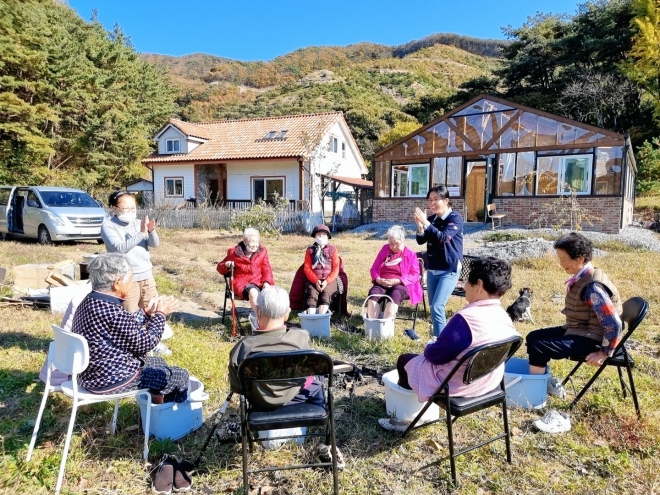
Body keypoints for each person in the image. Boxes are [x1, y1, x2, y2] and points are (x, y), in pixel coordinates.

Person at [379, 257, 517, 432]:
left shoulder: (466, 320)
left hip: (458, 386)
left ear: (479, 285)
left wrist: (430, 345)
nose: (464, 285)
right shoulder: (505, 317)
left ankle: (408, 416)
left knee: (405, 360)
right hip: (489, 382)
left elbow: (435, 356)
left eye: (468, 281)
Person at [526, 232, 622, 434]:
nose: (561, 264)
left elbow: (613, 323)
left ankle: (534, 393)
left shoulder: (592, 287)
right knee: (533, 337)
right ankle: (543, 381)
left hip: (592, 338)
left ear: (579, 258)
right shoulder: (584, 276)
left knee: (539, 347)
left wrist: (604, 353)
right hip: (580, 329)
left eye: (563, 259)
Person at [71, 253, 188, 404]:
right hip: (113, 380)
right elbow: (146, 343)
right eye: (130, 280)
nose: (132, 285)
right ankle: (166, 418)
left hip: (91, 376)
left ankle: (153, 407)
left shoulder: (90, 301)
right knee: (180, 376)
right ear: (117, 283)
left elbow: (125, 329)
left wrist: (146, 312)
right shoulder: (112, 311)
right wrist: (160, 314)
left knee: (158, 363)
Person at [101, 191, 173, 355]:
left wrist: (151, 231)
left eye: (133, 208)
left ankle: (153, 343)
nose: (130, 211)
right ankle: (132, 346)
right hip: (126, 278)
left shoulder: (138, 222)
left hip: (146, 274)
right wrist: (141, 233)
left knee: (152, 309)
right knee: (130, 315)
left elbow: (155, 244)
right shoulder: (108, 226)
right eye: (125, 208)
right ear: (115, 208)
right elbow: (119, 248)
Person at [414, 185, 464, 339]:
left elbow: (443, 237)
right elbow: (421, 240)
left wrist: (427, 224)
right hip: (433, 268)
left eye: (436, 199)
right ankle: (437, 339)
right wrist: (420, 227)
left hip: (449, 269)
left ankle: (441, 345)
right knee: (433, 307)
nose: (432, 203)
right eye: (430, 200)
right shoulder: (432, 219)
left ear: (446, 200)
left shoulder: (455, 218)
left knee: (437, 306)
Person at [367, 225, 422, 320]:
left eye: (397, 243)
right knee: (373, 293)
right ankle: (372, 323)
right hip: (383, 282)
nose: (394, 247)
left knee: (395, 294)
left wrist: (398, 280)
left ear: (403, 241)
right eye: (391, 244)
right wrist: (378, 279)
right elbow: (374, 268)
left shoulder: (410, 254)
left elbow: (415, 275)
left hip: (402, 284)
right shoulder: (385, 249)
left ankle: (385, 325)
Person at [216, 228, 274, 314]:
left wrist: (266, 282)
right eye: (252, 242)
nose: (255, 245)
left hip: (258, 282)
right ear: (245, 241)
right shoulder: (234, 253)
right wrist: (226, 265)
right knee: (253, 292)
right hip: (242, 284)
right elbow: (219, 268)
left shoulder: (262, 251)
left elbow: (267, 269)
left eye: (257, 242)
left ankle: (272, 318)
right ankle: (260, 318)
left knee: (272, 292)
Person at [303, 225, 340, 314]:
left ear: (327, 237)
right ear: (315, 237)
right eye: (318, 235)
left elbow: (336, 268)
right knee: (312, 295)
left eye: (323, 235)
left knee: (326, 294)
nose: (321, 237)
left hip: (329, 280)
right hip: (313, 280)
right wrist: (316, 281)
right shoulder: (310, 251)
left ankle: (322, 317)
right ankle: (311, 318)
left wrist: (326, 281)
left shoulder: (333, 250)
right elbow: (307, 268)